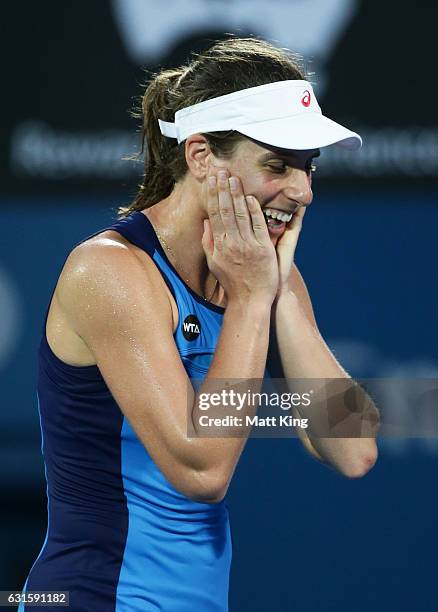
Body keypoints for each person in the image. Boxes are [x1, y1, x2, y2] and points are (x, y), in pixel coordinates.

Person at [19, 38, 378, 611]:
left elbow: (353, 449)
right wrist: (253, 299)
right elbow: (203, 469)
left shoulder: (264, 279)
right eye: (276, 165)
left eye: (309, 168)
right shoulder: (110, 272)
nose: (302, 191)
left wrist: (275, 295)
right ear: (202, 156)